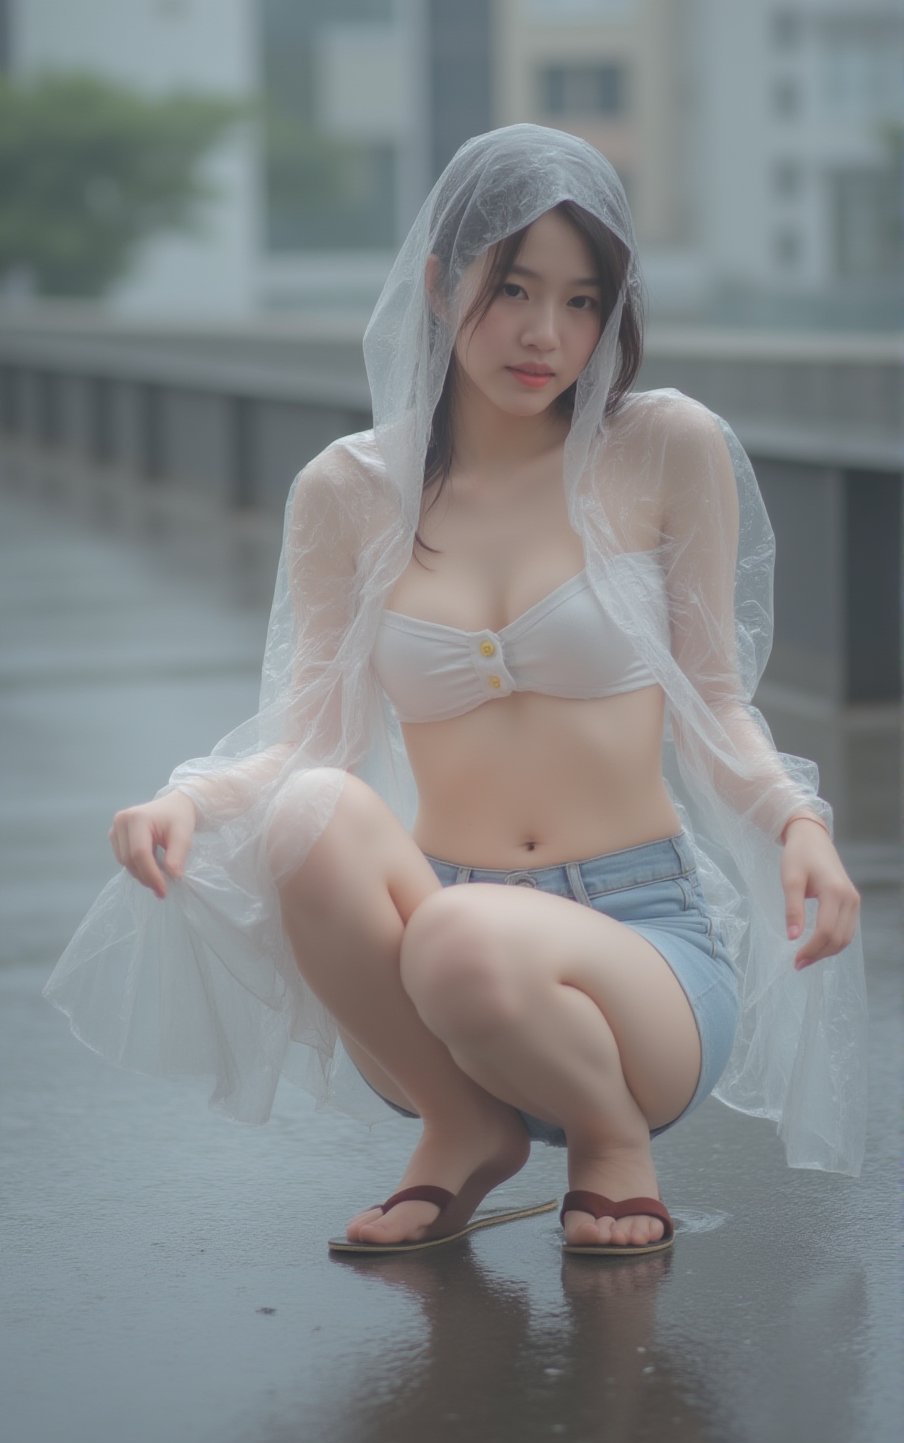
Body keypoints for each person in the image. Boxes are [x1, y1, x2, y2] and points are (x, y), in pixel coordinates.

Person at [43, 124, 868, 1260]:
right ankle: (460, 1124)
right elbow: (314, 737)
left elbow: (714, 699)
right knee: (309, 819)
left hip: (640, 954)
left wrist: (797, 825)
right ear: (438, 285)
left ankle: (610, 1140)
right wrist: (193, 799)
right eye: (513, 287)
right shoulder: (348, 490)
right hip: (436, 987)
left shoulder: (663, 446)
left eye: (583, 302)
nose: (545, 334)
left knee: (462, 938)